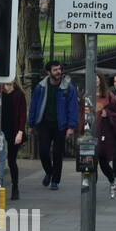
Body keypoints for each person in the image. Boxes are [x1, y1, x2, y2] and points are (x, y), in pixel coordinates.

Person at [28, 61, 79, 190]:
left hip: (60, 125)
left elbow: (73, 107)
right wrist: (31, 123)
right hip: (44, 123)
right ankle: (49, 172)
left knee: (57, 154)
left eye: (59, 69)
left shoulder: (68, 88)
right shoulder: (41, 87)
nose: (58, 72)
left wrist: (71, 126)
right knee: (44, 152)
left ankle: (55, 180)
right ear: (48, 72)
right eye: (55, 70)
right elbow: (34, 106)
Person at [0, 80, 27, 200]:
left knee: (11, 161)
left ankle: (15, 187)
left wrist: (20, 132)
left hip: (13, 132)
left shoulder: (19, 94)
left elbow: (22, 115)